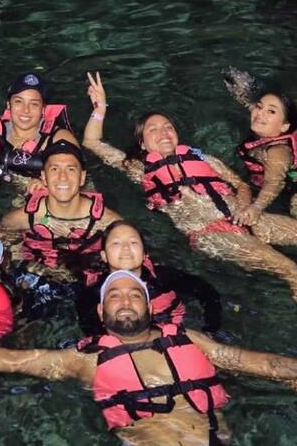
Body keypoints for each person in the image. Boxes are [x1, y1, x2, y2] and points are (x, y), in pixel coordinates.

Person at [0, 270, 297, 445]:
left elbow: (259, 363)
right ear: (101, 314)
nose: (124, 300)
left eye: (134, 294)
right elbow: (20, 360)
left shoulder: (189, 339)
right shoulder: (85, 360)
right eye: (114, 296)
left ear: (150, 307)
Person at [82, 71, 297, 300]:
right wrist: (100, 109)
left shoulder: (205, 159)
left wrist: (245, 208)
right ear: (142, 143)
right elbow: (91, 142)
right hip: (211, 234)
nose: (163, 132)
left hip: (241, 217)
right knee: (290, 270)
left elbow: (241, 185)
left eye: (168, 127)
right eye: (152, 130)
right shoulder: (138, 169)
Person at [76, 220, 222, 337]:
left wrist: (210, 330)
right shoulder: (92, 295)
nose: (126, 248)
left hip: (181, 331)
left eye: (133, 243)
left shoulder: (163, 277)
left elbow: (208, 293)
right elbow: (93, 334)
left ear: (145, 253)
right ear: (104, 256)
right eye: (116, 243)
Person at [0, 139, 122, 275]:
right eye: (55, 169)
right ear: (44, 178)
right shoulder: (24, 218)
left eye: (71, 169)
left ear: (82, 177)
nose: (63, 177)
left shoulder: (108, 222)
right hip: (37, 274)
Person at [0, 71, 78, 188]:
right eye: (19, 101)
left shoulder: (59, 140)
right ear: (9, 105)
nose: (25, 110)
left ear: (43, 109)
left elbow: (77, 181)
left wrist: (46, 186)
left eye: (34, 104)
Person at [224, 68, 297, 220]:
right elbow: (249, 101)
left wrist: (256, 207)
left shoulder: (277, 151)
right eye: (259, 106)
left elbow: (274, 183)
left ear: (284, 126)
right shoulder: (265, 124)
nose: (260, 114)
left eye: (271, 112)